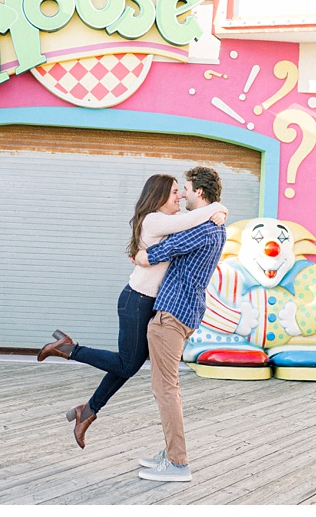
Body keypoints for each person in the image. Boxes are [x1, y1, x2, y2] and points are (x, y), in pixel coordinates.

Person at [37, 173, 227, 449]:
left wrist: (216, 211)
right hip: (136, 300)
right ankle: (68, 350)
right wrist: (219, 208)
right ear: (160, 196)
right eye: (175, 192)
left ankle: (87, 411)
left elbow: (191, 227)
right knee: (127, 364)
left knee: (127, 365)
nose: (180, 196)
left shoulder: (171, 224)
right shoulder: (156, 219)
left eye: (182, 190)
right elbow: (190, 221)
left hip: (146, 303)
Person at [133, 166, 226, 483]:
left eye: (185, 189)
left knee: (165, 389)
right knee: (165, 388)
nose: (183, 194)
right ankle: (171, 454)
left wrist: (143, 256)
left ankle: (177, 463)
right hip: (183, 311)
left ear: (199, 192)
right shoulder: (213, 227)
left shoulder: (203, 229)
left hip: (172, 314)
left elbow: (160, 251)